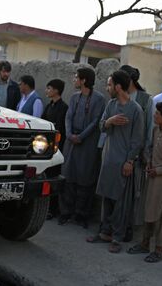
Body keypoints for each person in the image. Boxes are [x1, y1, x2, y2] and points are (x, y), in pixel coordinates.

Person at [86, 70, 144, 254]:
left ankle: (117, 237)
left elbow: (138, 140)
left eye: (110, 85)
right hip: (108, 158)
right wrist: (110, 121)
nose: (107, 88)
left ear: (118, 86)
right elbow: (101, 125)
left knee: (120, 201)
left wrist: (129, 161)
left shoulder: (135, 110)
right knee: (106, 197)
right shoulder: (110, 105)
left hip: (123, 161)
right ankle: (104, 232)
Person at [126, 102, 162, 263]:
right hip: (151, 179)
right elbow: (151, 150)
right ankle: (145, 243)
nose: (155, 115)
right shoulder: (155, 130)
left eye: (158, 113)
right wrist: (149, 161)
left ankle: (159, 249)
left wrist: (159, 170)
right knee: (149, 212)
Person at [59, 68, 106, 228]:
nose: (74, 80)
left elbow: (95, 122)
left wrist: (81, 137)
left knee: (85, 180)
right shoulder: (74, 98)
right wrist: (69, 134)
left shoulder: (99, 99)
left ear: (84, 80)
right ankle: (66, 212)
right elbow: (68, 116)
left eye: (76, 77)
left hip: (87, 144)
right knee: (68, 177)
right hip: (71, 141)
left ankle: (81, 214)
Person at [119, 65, 152, 242]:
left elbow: (149, 129)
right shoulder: (118, 98)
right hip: (118, 152)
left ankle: (129, 226)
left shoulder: (145, 99)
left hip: (136, 156)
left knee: (134, 194)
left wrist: (144, 155)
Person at [42, 78, 69, 220]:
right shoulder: (49, 106)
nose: (47, 91)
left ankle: (53, 209)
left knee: (53, 179)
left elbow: (59, 129)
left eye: (49, 88)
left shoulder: (63, 108)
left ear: (56, 90)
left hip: (56, 149)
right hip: (44, 149)